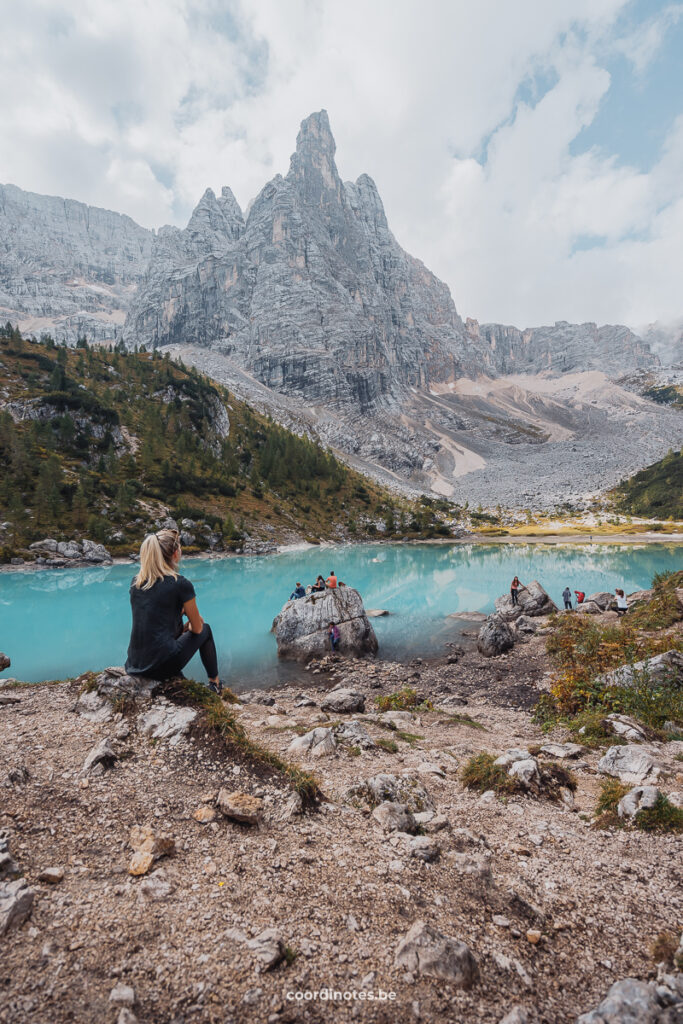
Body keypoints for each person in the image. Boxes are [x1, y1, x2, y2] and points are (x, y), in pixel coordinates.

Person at [125, 529, 224, 694]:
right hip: (160, 668)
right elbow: (198, 628)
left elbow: (153, 620)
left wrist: (180, 624)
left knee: (175, 636)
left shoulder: (136, 582)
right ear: (175, 553)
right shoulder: (181, 584)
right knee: (206, 630)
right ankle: (215, 683)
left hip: (134, 665)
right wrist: (190, 621)